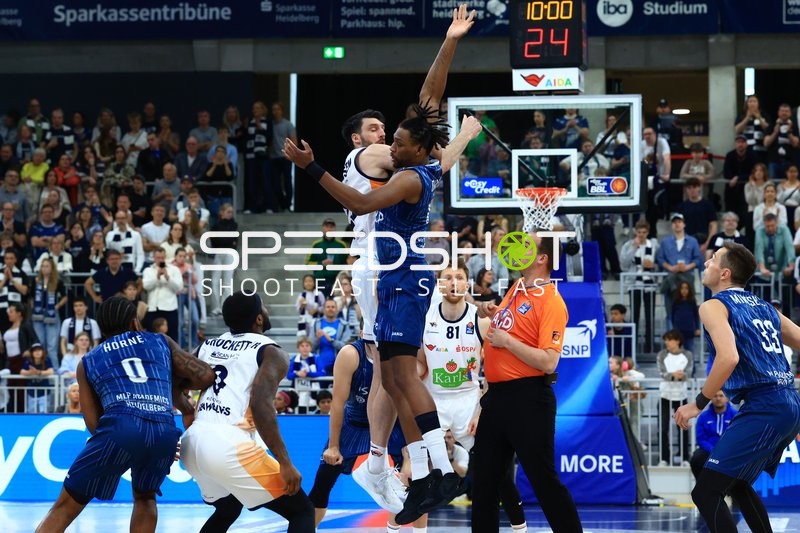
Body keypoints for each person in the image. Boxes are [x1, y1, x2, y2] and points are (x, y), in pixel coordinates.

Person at [284, 103, 479, 524]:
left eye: (393, 134)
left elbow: (430, 149)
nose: (387, 139)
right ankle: (395, 465)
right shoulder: (367, 157)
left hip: (395, 273)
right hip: (379, 268)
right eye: (378, 131)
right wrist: (461, 133)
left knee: (394, 374)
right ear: (357, 140)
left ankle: (400, 464)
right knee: (387, 372)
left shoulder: (409, 173)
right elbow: (429, 148)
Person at [34, 296, 215, 533]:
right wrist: (170, 386)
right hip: (164, 429)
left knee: (66, 506)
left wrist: (122, 445)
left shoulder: (89, 360)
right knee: (145, 497)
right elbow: (205, 376)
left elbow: (93, 423)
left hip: (120, 428)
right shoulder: (160, 341)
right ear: (134, 322)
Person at [675, 242, 800, 533]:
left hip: (765, 404)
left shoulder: (713, 305)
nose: (706, 263)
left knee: (705, 492)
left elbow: (728, 357)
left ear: (725, 274)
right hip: (788, 403)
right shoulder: (765, 306)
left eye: (713, 260)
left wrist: (698, 403)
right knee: (738, 485)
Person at [470, 232, 582, 532]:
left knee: (543, 481)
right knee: (482, 483)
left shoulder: (552, 301)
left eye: (526, 245)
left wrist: (507, 341)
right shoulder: (516, 289)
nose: (517, 247)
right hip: (496, 398)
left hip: (528, 398)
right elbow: (502, 330)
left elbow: (548, 361)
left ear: (542, 258)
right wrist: (487, 311)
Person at [180, 292, 316, 533]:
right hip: (229, 445)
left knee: (228, 508)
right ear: (259, 319)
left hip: (192, 443)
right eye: (263, 307)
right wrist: (285, 462)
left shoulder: (207, 344)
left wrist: (186, 409)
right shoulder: (272, 351)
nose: (266, 310)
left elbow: (173, 379)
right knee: (302, 510)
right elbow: (262, 406)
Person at [416, 262, 527, 533]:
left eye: (459, 277)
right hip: (434, 402)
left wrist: (481, 409)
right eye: (448, 277)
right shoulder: (423, 320)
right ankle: (408, 529)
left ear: (467, 285)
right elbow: (420, 367)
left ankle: (520, 527)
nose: (453, 282)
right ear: (439, 284)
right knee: (416, 472)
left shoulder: (481, 321)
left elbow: (495, 371)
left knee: (498, 472)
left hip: (469, 403)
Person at [309, 339, 406, 525]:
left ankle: (394, 529)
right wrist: (333, 446)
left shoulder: (396, 350)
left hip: (388, 425)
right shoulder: (351, 354)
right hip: (353, 425)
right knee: (321, 486)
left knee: (410, 480)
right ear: (364, 331)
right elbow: (337, 403)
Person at [657, 329, 692, 466]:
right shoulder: (662, 354)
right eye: (665, 340)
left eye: (669, 339)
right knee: (663, 428)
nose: (667, 342)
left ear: (677, 340)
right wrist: (673, 376)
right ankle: (664, 458)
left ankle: (684, 458)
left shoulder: (687, 354)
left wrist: (681, 376)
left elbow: (688, 372)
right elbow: (661, 372)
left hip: (681, 396)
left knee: (682, 428)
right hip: (664, 395)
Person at [689, 390, 736, 480]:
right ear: (711, 398)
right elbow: (701, 439)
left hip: (728, 451)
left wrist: (724, 450)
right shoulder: (703, 416)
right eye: (715, 396)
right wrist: (713, 451)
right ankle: (701, 486)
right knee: (697, 458)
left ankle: (732, 490)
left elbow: (737, 437)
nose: (718, 398)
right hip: (709, 450)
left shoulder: (735, 415)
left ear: (726, 398)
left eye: (721, 396)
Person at [20, 342, 54, 413]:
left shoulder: (47, 360)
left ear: (43, 351)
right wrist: (30, 373)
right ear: (31, 352)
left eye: (39, 350)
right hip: (32, 393)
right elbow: (22, 371)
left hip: (44, 392)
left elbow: (51, 371)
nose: (37, 352)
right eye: (35, 350)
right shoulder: (28, 361)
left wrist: (38, 372)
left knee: (45, 412)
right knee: (32, 413)